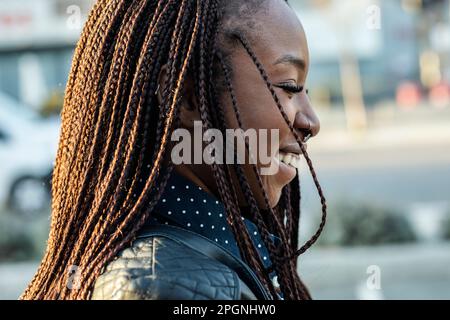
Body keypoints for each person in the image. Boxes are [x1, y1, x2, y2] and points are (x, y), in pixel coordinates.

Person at [21, 0, 327, 300]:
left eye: (306, 91)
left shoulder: (206, 255)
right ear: (185, 97)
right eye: (289, 87)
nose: (311, 122)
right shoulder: (167, 287)